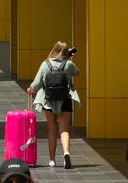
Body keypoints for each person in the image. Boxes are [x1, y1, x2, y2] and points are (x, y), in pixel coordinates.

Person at [26, 41, 80, 169]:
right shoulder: (68, 64)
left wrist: (30, 89)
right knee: (64, 129)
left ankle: (52, 160)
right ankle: (66, 153)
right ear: (66, 52)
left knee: (52, 130)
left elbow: (36, 84)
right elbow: (77, 73)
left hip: (48, 101)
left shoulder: (45, 64)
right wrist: (70, 60)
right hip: (65, 100)